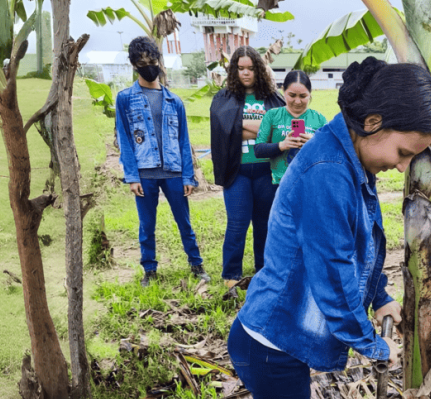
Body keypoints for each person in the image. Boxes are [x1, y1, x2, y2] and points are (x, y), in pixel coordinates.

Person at [222, 58, 431, 399]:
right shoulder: (328, 173)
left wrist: (382, 294)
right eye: (405, 152)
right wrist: (369, 342)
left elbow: (361, 243)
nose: (404, 165)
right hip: (273, 337)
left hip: (272, 332)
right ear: (372, 124)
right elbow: (332, 274)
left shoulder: (349, 161)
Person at [115, 36, 210, 287]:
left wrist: (188, 176)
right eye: (142, 62)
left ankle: (196, 264)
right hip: (144, 174)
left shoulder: (174, 101)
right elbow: (124, 138)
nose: (148, 65)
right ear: (134, 65)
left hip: (174, 172)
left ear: (159, 61)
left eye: (152, 60)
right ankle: (149, 270)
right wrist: (132, 175)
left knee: (185, 223)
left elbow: (183, 140)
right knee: (147, 225)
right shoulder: (125, 99)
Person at [209, 46, 284, 289]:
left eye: (250, 68)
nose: (245, 73)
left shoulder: (273, 98)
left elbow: (279, 130)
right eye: (240, 68)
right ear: (234, 70)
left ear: (259, 70)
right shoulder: (223, 98)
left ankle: (263, 272)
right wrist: (262, 128)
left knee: (265, 224)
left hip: (267, 172)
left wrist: (240, 126)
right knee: (237, 224)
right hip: (237, 173)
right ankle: (231, 276)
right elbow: (224, 130)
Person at [253, 70, 327, 186]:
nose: (297, 101)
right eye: (292, 95)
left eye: (303, 96)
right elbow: (258, 150)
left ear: (310, 94)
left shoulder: (319, 119)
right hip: (279, 185)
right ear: (283, 91)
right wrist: (282, 145)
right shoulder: (272, 115)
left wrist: (314, 143)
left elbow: (329, 154)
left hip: (309, 184)